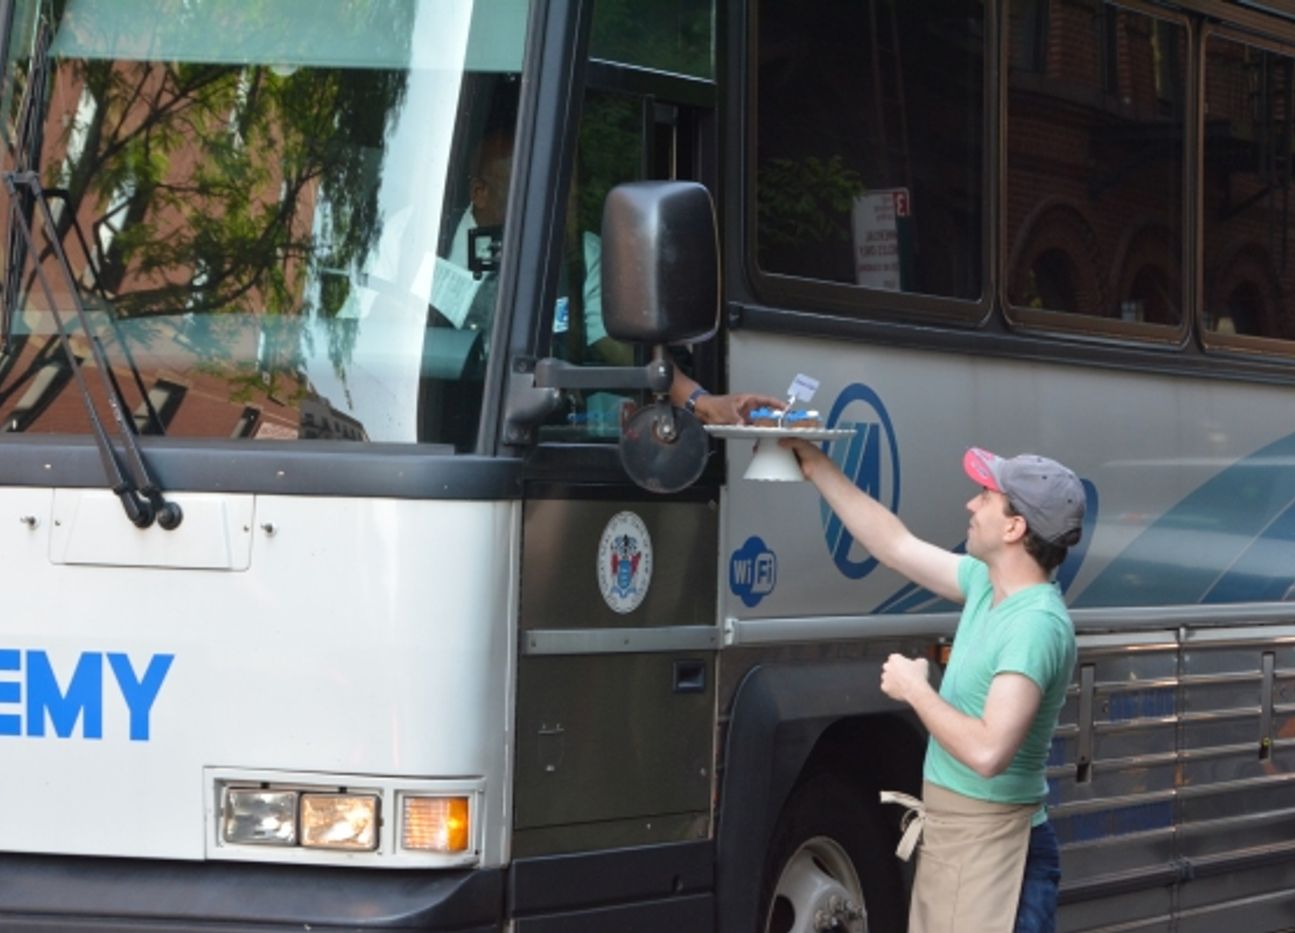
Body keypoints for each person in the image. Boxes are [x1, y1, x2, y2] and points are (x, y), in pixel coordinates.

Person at [782, 441, 1083, 933]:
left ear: (1015, 527)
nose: (971, 504)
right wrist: (817, 466)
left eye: (985, 496)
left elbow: (989, 752)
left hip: (1001, 857)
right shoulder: (989, 585)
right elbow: (895, 546)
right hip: (960, 841)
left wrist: (916, 690)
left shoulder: (1035, 626)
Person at [450, 124, 779, 426]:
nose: (560, 205)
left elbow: (621, 343)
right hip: (436, 414)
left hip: (533, 424)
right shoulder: (408, 240)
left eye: (566, 188)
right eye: (534, 190)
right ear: (480, 192)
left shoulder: (582, 253)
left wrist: (699, 401)